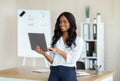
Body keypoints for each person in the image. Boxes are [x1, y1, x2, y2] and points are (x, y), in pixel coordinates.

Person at [35, 12, 83, 81]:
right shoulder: (55, 39)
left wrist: (58, 51)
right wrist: (44, 53)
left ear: (71, 23)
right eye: (60, 22)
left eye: (65, 21)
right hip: (54, 72)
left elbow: (73, 60)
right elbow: (52, 61)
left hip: (68, 73)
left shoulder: (78, 40)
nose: (61, 24)